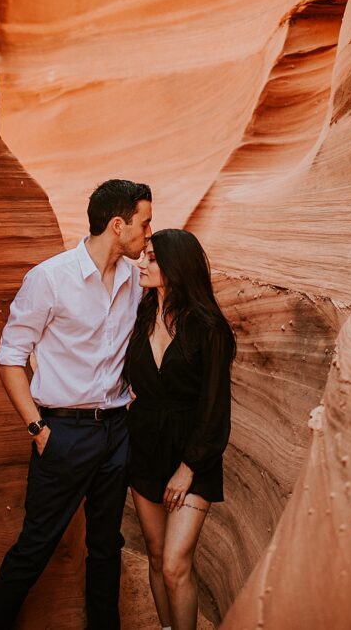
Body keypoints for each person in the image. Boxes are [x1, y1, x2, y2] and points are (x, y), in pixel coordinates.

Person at [0, 179, 153, 630]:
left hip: (116, 431)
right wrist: (37, 427)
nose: (148, 234)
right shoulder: (49, 279)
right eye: (145, 224)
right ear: (118, 225)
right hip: (62, 433)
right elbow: (10, 358)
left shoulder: (137, 281)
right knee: (35, 544)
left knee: (106, 546)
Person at [124, 229, 235, 630]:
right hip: (145, 447)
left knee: (174, 564)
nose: (142, 262)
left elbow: (215, 408)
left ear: (175, 266)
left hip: (194, 454)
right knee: (155, 555)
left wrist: (189, 466)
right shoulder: (137, 316)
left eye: (152, 258)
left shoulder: (209, 329)